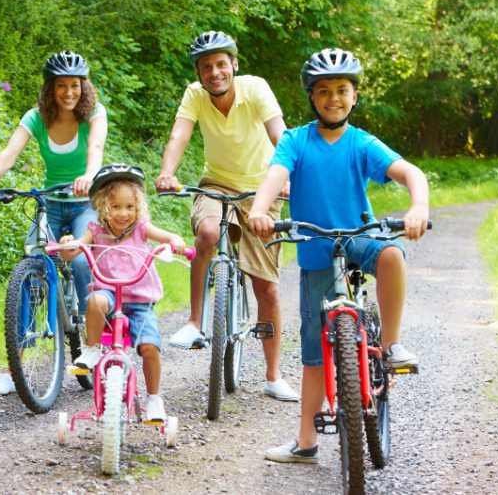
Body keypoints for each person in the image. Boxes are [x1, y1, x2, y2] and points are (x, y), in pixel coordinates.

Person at [247, 48, 428, 463]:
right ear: (312, 97)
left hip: (358, 236)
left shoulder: (361, 142)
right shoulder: (296, 139)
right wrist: (259, 210)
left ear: (355, 96)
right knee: (313, 352)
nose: (333, 98)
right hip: (314, 247)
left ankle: (392, 345)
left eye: (342, 90)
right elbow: (275, 175)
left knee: (392, 255)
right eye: (324, 91)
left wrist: (418, 206)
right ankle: (306, 442)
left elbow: (410, 172)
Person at [155, 31, 298, 401]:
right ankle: (194, 322)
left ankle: (272, 375)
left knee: (266, 287)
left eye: (221, 64)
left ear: (234, 65)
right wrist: (167, 172)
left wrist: (286, 178)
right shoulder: (195, 95)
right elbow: (179, 137)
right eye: (206, 67)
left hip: (263, 189)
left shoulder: (255, 89)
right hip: (216, 184)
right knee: (206, 233)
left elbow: (279, 135)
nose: (214, 72)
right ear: (199, 73)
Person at [0, 51, 108, 395]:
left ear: (84, 87)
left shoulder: (93, 113)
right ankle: (13, 366)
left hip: (83, 206)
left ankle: (94, 348)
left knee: (79, 261)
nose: (68, 92)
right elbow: (9, 153)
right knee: (30, 270)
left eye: (74, 85)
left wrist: (89, 176)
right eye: (60, 86)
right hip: (50, 204)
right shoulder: (36, 117)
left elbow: (95, 148)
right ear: (50, 89)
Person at [59, 164, 186, 422]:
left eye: (129, 207)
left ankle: (153, 398)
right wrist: (66, 246)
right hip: (108, 294)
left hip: (139, 300)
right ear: (104, 207)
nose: (123, 213)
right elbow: (73, 252)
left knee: (150, 347)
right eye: (116, 206)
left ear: (138, 207)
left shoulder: (141, 228)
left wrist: (174, 240)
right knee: (94, 300)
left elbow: (164, 237)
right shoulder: (95, 230)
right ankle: (93, 349)